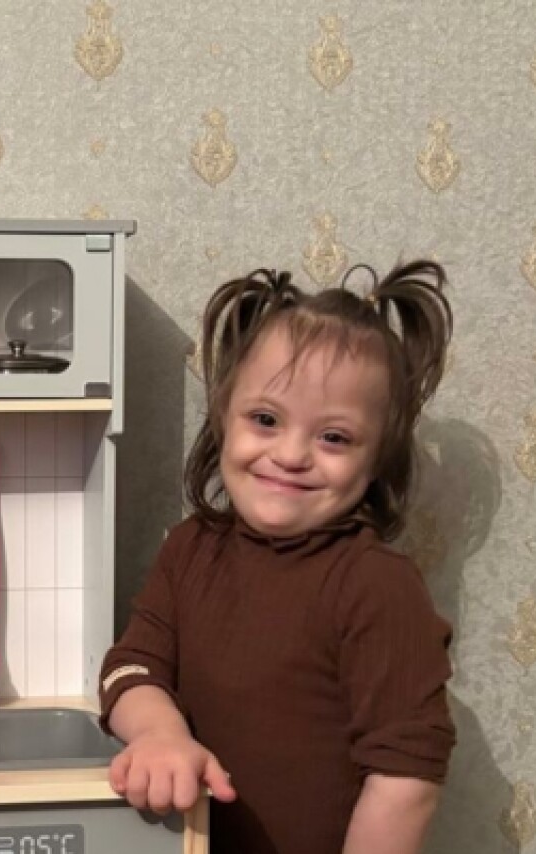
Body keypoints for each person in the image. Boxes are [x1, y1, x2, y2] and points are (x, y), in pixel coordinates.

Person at [100, 262, 456, 854]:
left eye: (334, 437)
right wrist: (159, 733)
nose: (291, 455)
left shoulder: (377, 586)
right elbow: (130, 668)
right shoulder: (189, 548)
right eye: (265, 420)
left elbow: (405, 781)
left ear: (376, 459)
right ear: (224, 418)